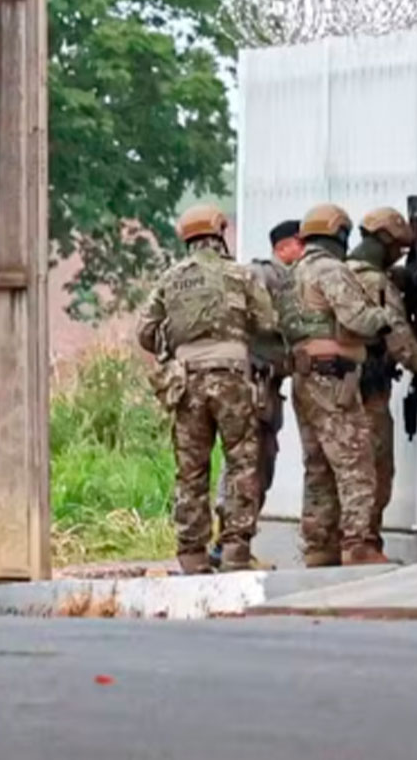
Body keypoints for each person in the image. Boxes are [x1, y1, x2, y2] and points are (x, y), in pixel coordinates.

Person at [138, 204, 277, 575]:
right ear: (218, 233)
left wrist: (176, 348)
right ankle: (235, 552)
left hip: (186, 383)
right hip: (231, 378)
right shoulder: (241, 274)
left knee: (191, 471)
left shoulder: (170, 279)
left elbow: (145, 333)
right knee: (242, 463)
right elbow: (267, 322)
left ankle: (192, 557)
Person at [275, 204, 393, 567]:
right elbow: (356, 317)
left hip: (303, 377)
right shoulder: (329, 269)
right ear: (338, 234)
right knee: (356, 460)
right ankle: (358, 544)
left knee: (318, 466)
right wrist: (385, 318)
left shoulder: (292, 274)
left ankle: (319, 546)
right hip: (333, 377)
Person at [209, 220, 303, 568]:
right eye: (300, 243)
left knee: (261, 462)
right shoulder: (262, 275)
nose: (305, 250)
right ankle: (230, 547)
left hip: (267, 386)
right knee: (247, 463)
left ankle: (231, 545)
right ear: (283, 247)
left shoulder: (286, 280)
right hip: (253, 385)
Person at [348, 208, 417, 551]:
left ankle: (327, 547)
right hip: (370, 393)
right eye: (397, 248)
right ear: (383, 241)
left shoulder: (340, 272)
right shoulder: (376, 282)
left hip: (336, 390)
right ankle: (364, 544)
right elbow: (399, 341)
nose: (400, 254)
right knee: (375, 469)